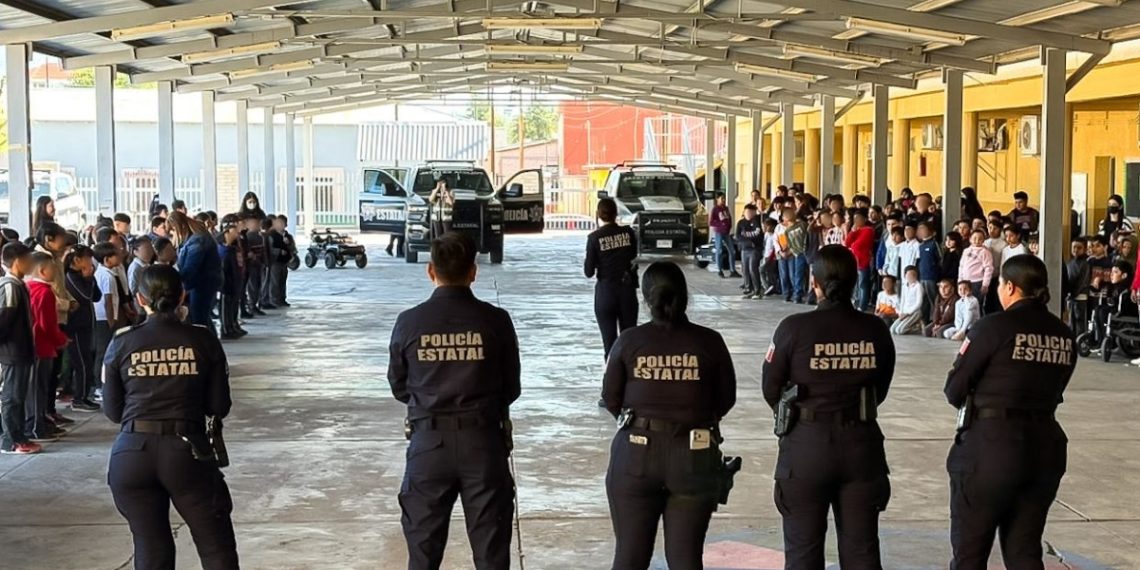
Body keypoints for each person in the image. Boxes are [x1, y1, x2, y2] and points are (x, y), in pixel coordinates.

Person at [387, 232, 521, 570]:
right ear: (473, 272)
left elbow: (399, 385)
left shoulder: (409, 322)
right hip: (483, 444)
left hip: (428, 446)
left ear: (430, 270)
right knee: (492, 555)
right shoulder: (495, 321)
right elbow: (511, 387)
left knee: (423, 556)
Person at [762, 244, 895, 569]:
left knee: (803, 553)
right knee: (862, 553)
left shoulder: (793, 329)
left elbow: (771, 388)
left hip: (806, 446)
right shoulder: (875, 329)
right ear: (854, 281)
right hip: (861, 446)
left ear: (814, 282)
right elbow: (880, 388)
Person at [102, 264, 238, 570]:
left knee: (151, 547)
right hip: (187, 451)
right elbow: (219, 405)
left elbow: (113, 411)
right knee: (215, 547)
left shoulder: (122, 342)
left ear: (140, 299)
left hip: (131, 454)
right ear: (182, 296)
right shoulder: (202, 339)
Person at [944, 254, 1076, 569]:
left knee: (970, 553)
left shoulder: (992, 327)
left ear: (1011, 287)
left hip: (990, 449)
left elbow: (954, 389)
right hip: (1044, 450)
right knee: (1024, 552)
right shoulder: (1064, 335)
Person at [602, 260, 736, 570]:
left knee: (629, 558)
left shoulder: (629, 341)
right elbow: (725, 400)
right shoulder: (709, 341)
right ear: (684, 295)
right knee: (686, 559)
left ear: (646, 297)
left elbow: (611, 398)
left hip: (636, 453)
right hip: (693, 455)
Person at [585, 198, 639, 363]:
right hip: (627, 291)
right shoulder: (628, 233)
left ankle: (611, 374)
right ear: (616, 213)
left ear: (598, 214)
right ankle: (629, 374)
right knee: (629, 341)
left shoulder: (594, 238)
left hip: (606, 293)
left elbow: (588, 272)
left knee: (609, 344)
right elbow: (633, 256)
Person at [26, 252, 70, 442]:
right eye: (52, 268)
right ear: (42, 271)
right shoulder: (45, 292)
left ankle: (40, 422)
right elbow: (48, 324)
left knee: (37, 388)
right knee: (39, 389)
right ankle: (36, 427)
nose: (55, 272)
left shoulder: (28, 288)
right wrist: (61, 339)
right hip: (43, 346)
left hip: (34, 345)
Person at [0, 243, 40, 454]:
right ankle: (10, 440)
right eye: (28, 259)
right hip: (12, 353)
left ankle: (19, 435)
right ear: (17, 262)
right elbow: (3, 323)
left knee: (19, 396)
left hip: (22, 350)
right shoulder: (10, 287)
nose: (32, 263)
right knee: (12, 397)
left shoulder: (19, 285)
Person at [167, 212, 222, 331]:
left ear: (179, 227)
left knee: (199, 319)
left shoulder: (197, 241)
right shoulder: (197, 237)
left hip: (201, 284)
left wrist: (182, 288)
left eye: (173, 231)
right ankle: (210, 340)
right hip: (205, 282)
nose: (172, 235)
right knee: (204, 317)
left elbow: (191, 269)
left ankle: (204, 341)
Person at [63, 245, 101, 412]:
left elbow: (96, 296)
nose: (90, 262)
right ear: (77, 260)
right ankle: (79, 398)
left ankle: (84, 396)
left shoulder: (84, 276)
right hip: (75, 326)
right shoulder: (71, 276)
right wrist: (88, 278)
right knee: (82, 363)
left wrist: (90, 278)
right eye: (87, 259)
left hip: (86, 324)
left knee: (87, 361)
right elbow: (85, 296)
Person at [217, 221, 247, 340]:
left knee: (233, 305)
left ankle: (232, 325)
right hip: (226, 283)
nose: (237, 233)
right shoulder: (222, 249)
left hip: (235, 281)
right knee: (226, 306)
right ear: (227, 232)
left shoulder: (234, 248)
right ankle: (226, 329)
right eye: (234, 231)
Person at [845, 209, 875, 312]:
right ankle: (856, 302)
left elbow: (859, 244)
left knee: (863, 285)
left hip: (863, 262)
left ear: (864, 219)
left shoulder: (868, 230)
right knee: (856, 285)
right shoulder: (855, 230)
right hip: (854, 262)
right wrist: (852, 231)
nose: (856, 221)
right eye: (855, 219)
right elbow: (847, 243)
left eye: (858, 218)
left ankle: (862, 306)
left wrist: (855, 234)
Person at [241, 215, 268, 316]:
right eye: (255, 223)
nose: (257, 225)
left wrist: (264, 261)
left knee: (258, 285)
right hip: (251, 265)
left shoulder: (260, 236)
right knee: (252, 286)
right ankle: (251, 305)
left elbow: (263, 251)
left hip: (259, 265)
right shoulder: (247, 236)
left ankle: (255, 304)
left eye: (258, 222)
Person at [735, 204, 764, 299]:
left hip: (755, 249)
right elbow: (738, 236)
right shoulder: (741, 223)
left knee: (753, 268)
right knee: (745, 269)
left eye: (751, 212)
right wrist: (747, 242)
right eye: (747, 211)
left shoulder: (757, 222)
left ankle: (757, 290)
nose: (749, 214)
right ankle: (749, 288)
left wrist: (752, 243)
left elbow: (759, 235)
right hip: (744, 249)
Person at [959, 229, 994, 308]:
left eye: (980, 239)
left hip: (977, 282)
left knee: (976, 304)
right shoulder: (966, 250)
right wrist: (960, 280)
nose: (977, 241)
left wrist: (985, 284)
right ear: (970, 239)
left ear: (983, 240)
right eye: (974, 238)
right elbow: (961, 266)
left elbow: (988, 269)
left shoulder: (985, 252)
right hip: (965, 281)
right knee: (965, 303)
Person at [710, 192, 740, 279]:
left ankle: (732, 270)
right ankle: (719, 270)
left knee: (732, 251)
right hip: (719, 232)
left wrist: (729, 226)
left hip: (726, 233)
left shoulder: (726, 208)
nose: (723, 200)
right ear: (717, 199)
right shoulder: (715, 209)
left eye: (724, 198)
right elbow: (711, 222)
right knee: (719, 250)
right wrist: (720, 225)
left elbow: (729, 218)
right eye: (721, 198)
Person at [263, 216, 290, 310]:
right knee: (274, 281)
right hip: (275, 261)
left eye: (283, 223)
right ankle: (274, 299)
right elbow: (269, 248)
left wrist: (288, 244)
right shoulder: (271, 235)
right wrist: (279, 251)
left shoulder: (286, 235)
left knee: (282, 281)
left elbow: (291, 246)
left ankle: (282, 299)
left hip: (284, 261)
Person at [1065, 237, 1092, 334]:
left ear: (1085, 249)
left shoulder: (1085, 264)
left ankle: (1080, 339)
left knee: (1079, 320)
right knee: (1071, 320)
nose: (1076, 250)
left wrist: (1073, 293)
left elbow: (1082, 281)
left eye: (1079, 248)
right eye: (1074, 247)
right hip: (1070, 296)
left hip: (1080, 296)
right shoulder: (1069, 263)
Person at [892, 266, 925, 336]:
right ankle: (914, 325)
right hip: (904, 312)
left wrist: (908, 313)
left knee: (900, 331)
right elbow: (902, 301)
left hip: (915, 312)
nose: (911, 276)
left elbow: (919, 303)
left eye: (913, 274)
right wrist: (901, 312)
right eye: (909, 274)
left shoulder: (918, 286)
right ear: (905, 275)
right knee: (892, 330)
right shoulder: (904, 286)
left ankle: (918, 329)